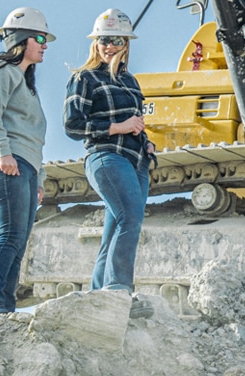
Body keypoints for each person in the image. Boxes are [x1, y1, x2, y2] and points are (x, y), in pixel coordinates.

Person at [64, 9, 154, 315]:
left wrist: (145, 140)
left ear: (126, 43)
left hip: (137, 160)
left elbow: (136, 121)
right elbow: (73, 126)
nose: (109, 45)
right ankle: (118, 290)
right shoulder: (84, 78)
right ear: (96, 42)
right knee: (130, 217)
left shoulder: (131, 82)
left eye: (116, 39)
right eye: (104, 39)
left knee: (116, 226)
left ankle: (97, 296)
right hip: (106, 156)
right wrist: (118, 127)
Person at [0, 7, 54, 315]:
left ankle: (4, 306)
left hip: (26, 166)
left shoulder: (28, 87)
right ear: (21, 39)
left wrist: (40, 180)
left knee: (19, 240)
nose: (45, 45)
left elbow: (35, 138)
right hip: (6, 161)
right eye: (41, 38)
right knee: (9, 235)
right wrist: (3, 153)